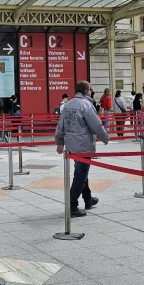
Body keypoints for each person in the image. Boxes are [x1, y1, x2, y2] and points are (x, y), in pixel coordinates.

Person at [55, 81, 109, 217]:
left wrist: (59, 141)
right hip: (83, 145)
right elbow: (95, 124)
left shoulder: (68, 105)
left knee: (81, 172)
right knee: (81, 175)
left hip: (72, 146)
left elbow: (60, 126)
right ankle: (72, 205)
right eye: (90, 89)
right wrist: (105, 137)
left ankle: (88, 199)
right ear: (86, 91)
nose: (91, 91)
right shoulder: (86, 105)